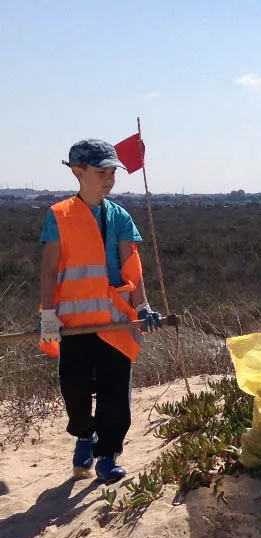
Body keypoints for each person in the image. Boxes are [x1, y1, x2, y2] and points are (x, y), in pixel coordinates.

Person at [38, 139, 163, 485]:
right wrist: (48, 314)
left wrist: (142, 305)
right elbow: (49, 271)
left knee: (114, 392)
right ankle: (84, 436)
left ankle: (107, 454)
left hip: (115, 320)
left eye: (112, 172)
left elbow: (131, 268)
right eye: (101, 172)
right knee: (75, 388)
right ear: (78, 172)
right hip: (74, 323)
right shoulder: (59, 215)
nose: (108, 179)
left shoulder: (120, 216)